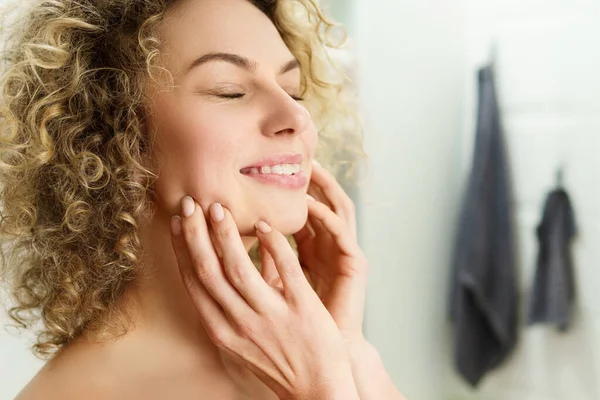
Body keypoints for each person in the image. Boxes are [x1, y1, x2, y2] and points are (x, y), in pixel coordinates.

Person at [0, 0, 406, 399]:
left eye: (293, 91)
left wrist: (347, 349)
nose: (297, 117)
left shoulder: (316, 354)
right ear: (112, 131)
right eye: (229, 91)